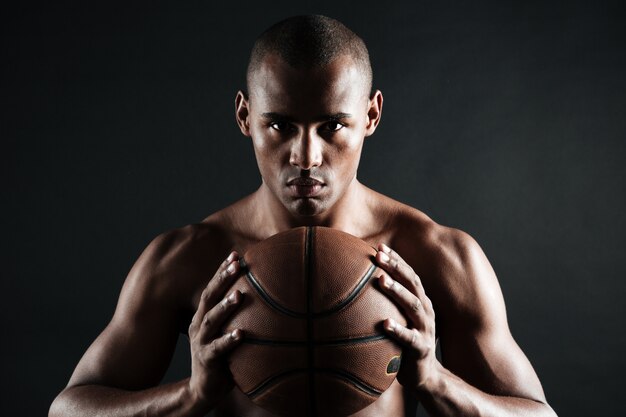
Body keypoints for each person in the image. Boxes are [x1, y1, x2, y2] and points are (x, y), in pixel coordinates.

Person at [49, 15, 557, 417]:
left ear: (371, 116)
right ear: (246, 117)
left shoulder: (435, 255)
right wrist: (191, 396)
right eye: (281, 125)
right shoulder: (189, 258)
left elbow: (539, 416)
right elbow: (68, 409)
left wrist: (433, 379)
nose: (307, 155)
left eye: (334, 124)